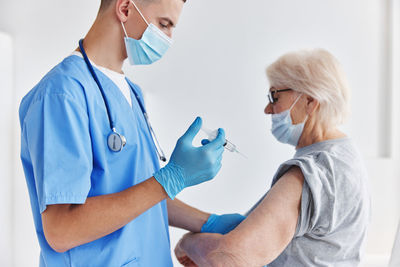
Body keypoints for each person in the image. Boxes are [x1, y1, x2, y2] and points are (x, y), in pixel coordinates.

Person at [18, 0, 242, 266]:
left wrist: (209, 222)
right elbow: (61, 229)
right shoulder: (62, 95)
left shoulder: (132, 93)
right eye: (164, 24)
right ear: (125, 8)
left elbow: (139, 196)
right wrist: (172, 178)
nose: (169, 39)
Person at [175, 49, 371, 266]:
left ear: (309, 101)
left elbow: (230, 260)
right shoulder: (345, 156)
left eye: (274, 96)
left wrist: (189, 244)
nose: (268, 109)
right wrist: (209, 225)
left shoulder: (315, 170)